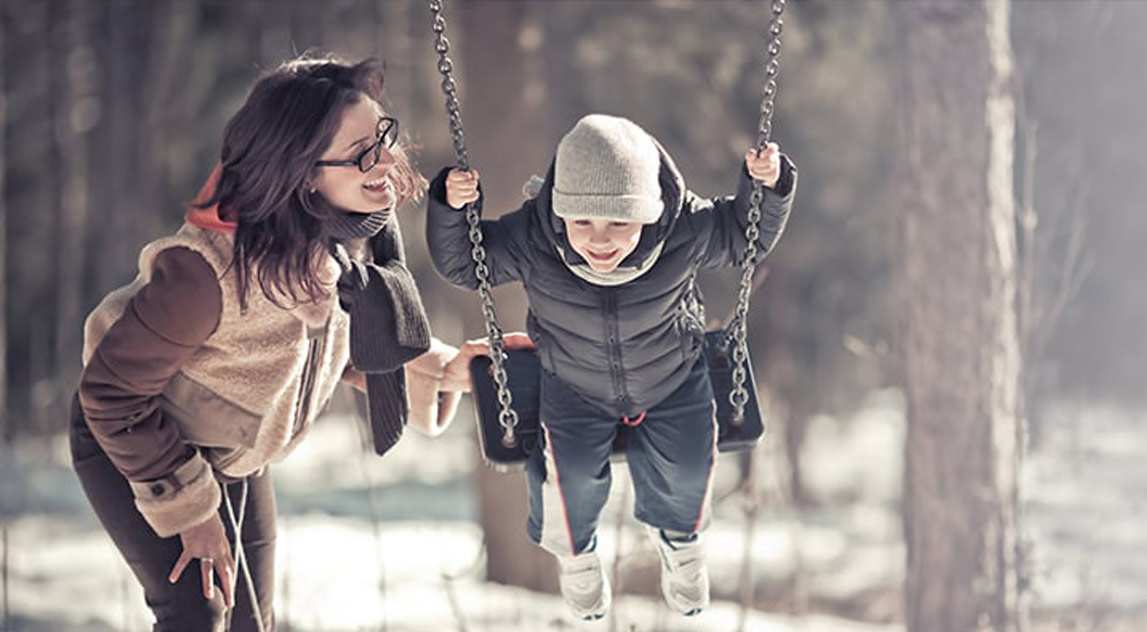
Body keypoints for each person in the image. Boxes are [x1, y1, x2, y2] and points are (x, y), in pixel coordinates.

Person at [70, 54, 502, 632]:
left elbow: (336, 345)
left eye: (383, 137)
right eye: (360, 156)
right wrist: (189, 511)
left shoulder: (342, 242)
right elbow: (111, 395)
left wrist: (446, 368)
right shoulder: (208, 275)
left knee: (253, 621)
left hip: (235, 451)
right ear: (302, 173)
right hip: (135, 439)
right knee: (197, 615)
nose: (386, 163)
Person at [429, 113, 796, 620]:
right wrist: (452, 209)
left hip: (673, 377)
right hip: (574, 384)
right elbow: (467, 263)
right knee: (566, 479)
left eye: (618, 223)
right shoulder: (534, 238)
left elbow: (743, 236)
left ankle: (681, 543)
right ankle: (576, 558)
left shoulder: (683, 228)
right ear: (560, 213)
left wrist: (768, 186)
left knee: (689, 467)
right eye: (582, 222)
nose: (599, 240)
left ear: (648, 211)